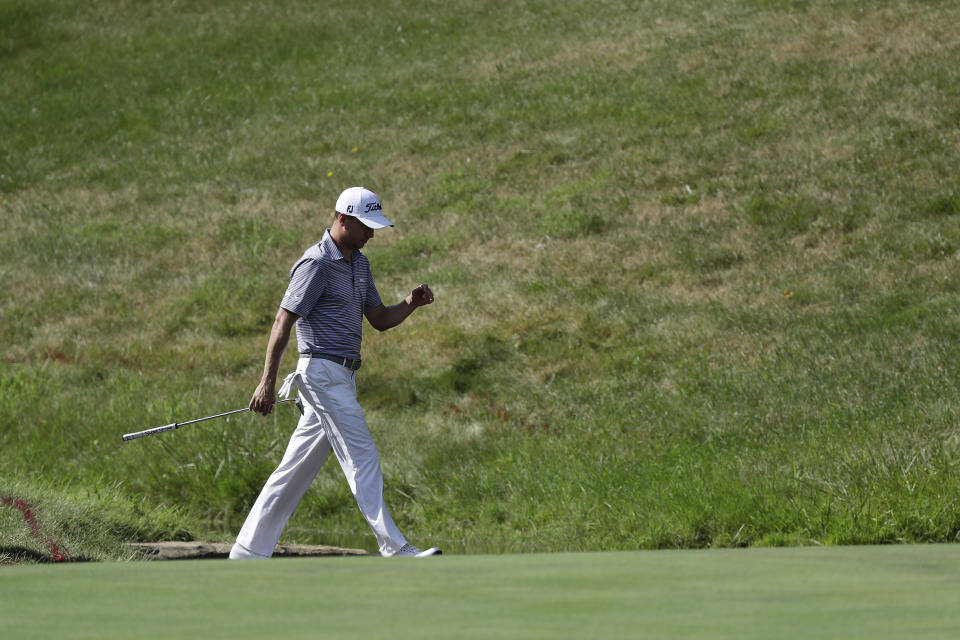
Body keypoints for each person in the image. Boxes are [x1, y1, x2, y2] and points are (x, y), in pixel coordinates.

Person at [229, 187, 441, 559]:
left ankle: (247, 551)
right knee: (363, 456)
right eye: (365, 227)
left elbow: (378, 319)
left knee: (294, 470)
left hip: (343, 377)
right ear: (342, 218)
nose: (371, 235)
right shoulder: (316, 264)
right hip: (321, 373)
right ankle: (395, 547)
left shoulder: (360, 264)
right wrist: (265, 382)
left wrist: (410, 304)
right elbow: (283, 321)